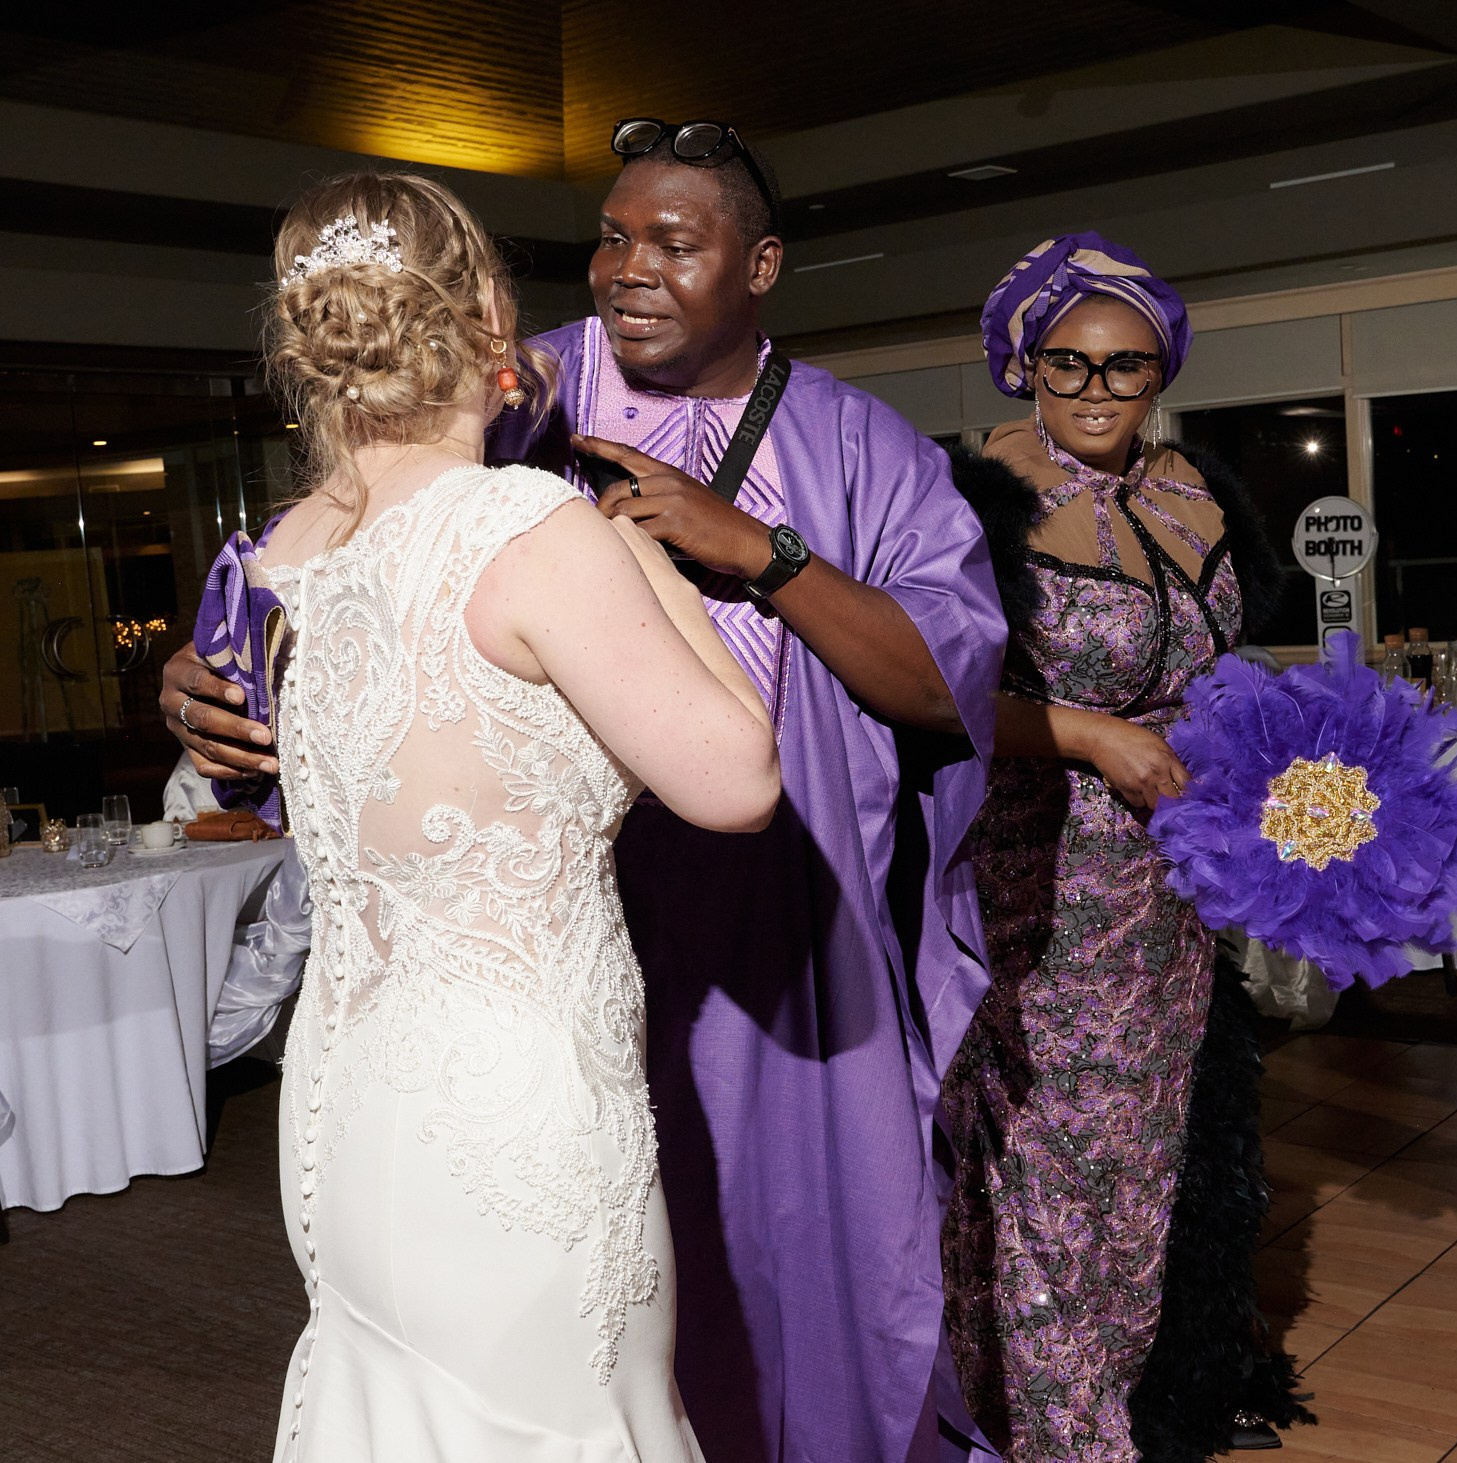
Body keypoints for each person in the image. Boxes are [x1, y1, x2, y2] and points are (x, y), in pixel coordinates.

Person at [163, 124, 1008, 1463]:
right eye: (610, 236)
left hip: (784, 947)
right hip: (561, 962)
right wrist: (201, 672)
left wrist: (762, 554)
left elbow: (941, 678)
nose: (629, 269)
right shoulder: (519, 400)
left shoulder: (865, 444)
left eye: (675, 239)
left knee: (811, 1266)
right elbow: (326, 574)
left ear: (764, 264)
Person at [245, 170, 780, 1459]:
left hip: (345, 1091)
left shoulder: (299, 546)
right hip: (515, 1114)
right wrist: (649, 556)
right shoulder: (528, 528)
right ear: (491, 318)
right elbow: (738, 778)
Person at [939, 232, 1300, 1461]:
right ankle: (1056, 1433)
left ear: (1162, 373)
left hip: (1175, 889)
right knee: (1047, 1171)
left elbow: (1229, 669)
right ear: (1019, 363)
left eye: (1124, 368)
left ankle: (1140, 1399)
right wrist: (1087, 733)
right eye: (1067, 364)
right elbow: (916, 692)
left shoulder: (1193, 487)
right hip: (1039, 885)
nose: (1094, 393)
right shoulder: (969, 499)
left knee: (1144, 1172)